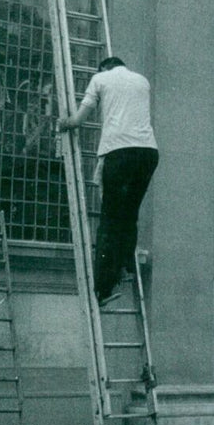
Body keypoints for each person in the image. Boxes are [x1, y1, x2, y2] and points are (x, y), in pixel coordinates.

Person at [58, 57, 158, 308]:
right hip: (147, 153)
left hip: (119, 152)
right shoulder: (141, 81)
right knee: (128, 214)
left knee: (110, 218)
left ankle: (102, 288)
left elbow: (78, 119)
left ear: (103, 68)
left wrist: (64, 123)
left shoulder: (100, 79)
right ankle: (125, 267)